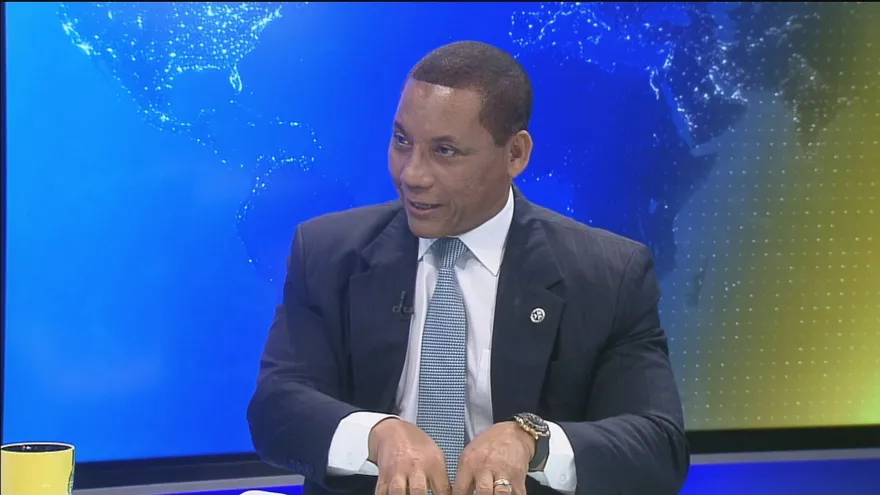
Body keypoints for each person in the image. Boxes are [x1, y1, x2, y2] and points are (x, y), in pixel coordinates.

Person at [247, 40, 689, 495]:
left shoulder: (608, 275)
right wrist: (376, 434)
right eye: (402, 141)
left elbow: (658, 447)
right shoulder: (326, 252)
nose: (412, 174)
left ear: (515, 154)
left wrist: (532, 443)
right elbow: (277, 408)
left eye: (445, 151)